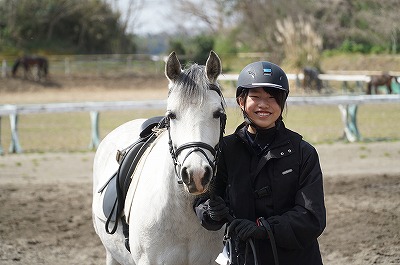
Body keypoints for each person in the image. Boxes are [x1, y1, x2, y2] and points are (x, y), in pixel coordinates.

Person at [194, 61, 326, 264]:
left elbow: (312, 216)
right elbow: (203, 199)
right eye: (255, 97)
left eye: (272, 98)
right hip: (243, 257)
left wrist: (265, 228)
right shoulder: (225, 150)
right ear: (241, 101)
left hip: (296, 258)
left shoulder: (303, 152)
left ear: (282, 103)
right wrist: (210, 211)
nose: (264, 105)